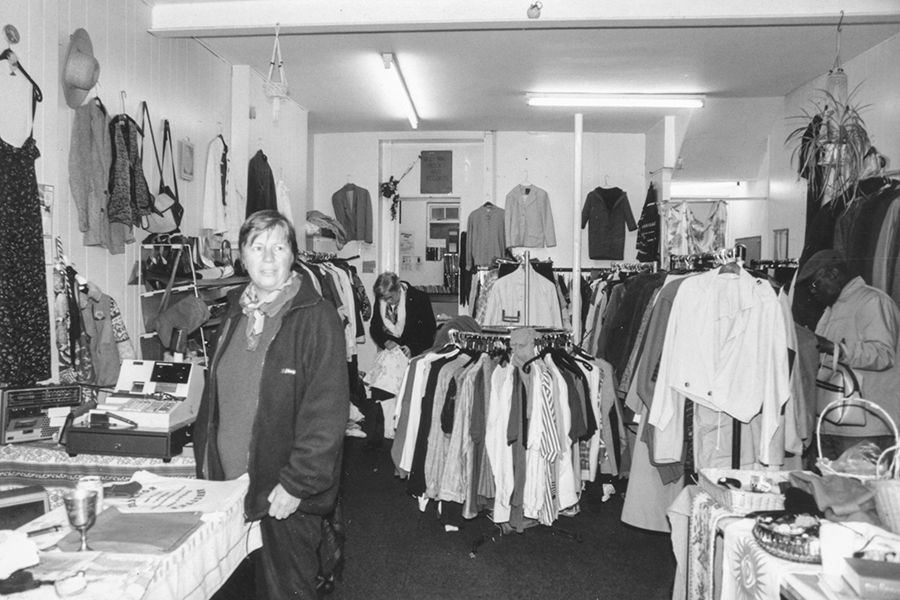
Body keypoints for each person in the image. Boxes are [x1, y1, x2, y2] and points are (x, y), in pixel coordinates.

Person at [194, 210, 349, 600]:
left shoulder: (316, 318)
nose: (267, 258)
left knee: (285, 592)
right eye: (257, 247)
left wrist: (296, 484)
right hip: (228, 490)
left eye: (278, 247)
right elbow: (217, 399)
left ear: (292, 255)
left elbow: (326, 412)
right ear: (242, 257)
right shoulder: (233, 313)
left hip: (284, 497)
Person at [798, 249, 900, 461]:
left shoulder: (872, 301)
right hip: (834, 425)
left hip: (867, 429)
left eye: (814, 285)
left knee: (863, 492)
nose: (812, 293)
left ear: (833, 274)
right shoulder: (831, 309)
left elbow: (883, 354)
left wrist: (834, 348)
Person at [363, 272, 437, 448]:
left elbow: (429, 330)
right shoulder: (381, 300)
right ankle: (381, 433)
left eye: (390, 298)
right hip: (392, 352)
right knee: (382, 386)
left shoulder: (419, 298)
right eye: (384, 299)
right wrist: (384, 340)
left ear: (398, 289)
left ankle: (392, 433)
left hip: (413, 352)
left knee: (397, 390)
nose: (387, 302)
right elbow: (375, 328)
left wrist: (412, 348)